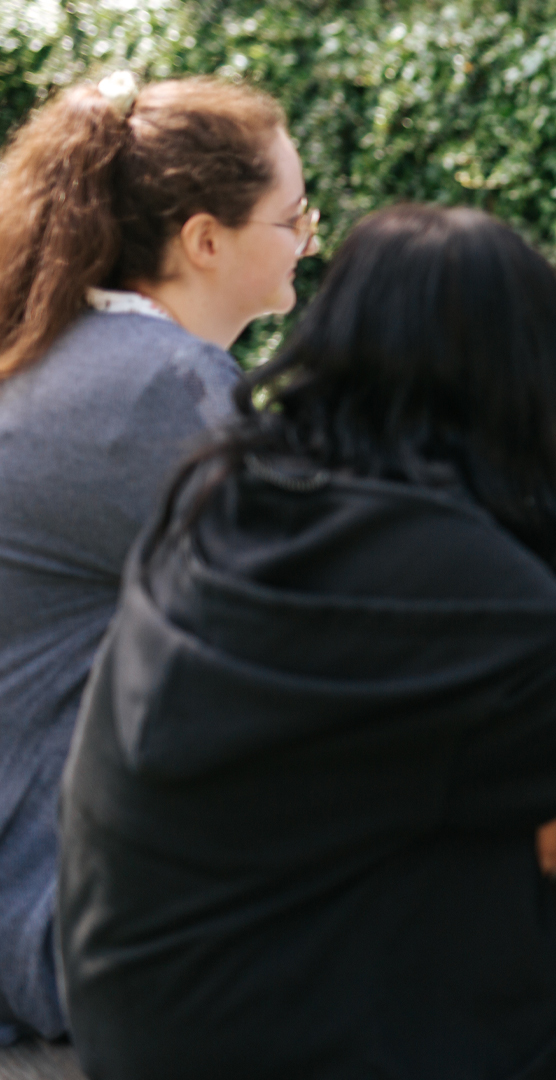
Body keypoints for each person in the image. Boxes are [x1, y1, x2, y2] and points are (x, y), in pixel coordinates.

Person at [57, 205, 556, 1080]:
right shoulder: (438, 554)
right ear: (522, 377)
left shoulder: (238, 487)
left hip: (155, 987)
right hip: (275, 1022)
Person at [0, 73, 316, 1046]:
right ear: (205, 239)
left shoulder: (75, 351)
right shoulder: (159, 387)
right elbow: (311, 634)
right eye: (293, 215)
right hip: (71, 923)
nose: (310, 237)